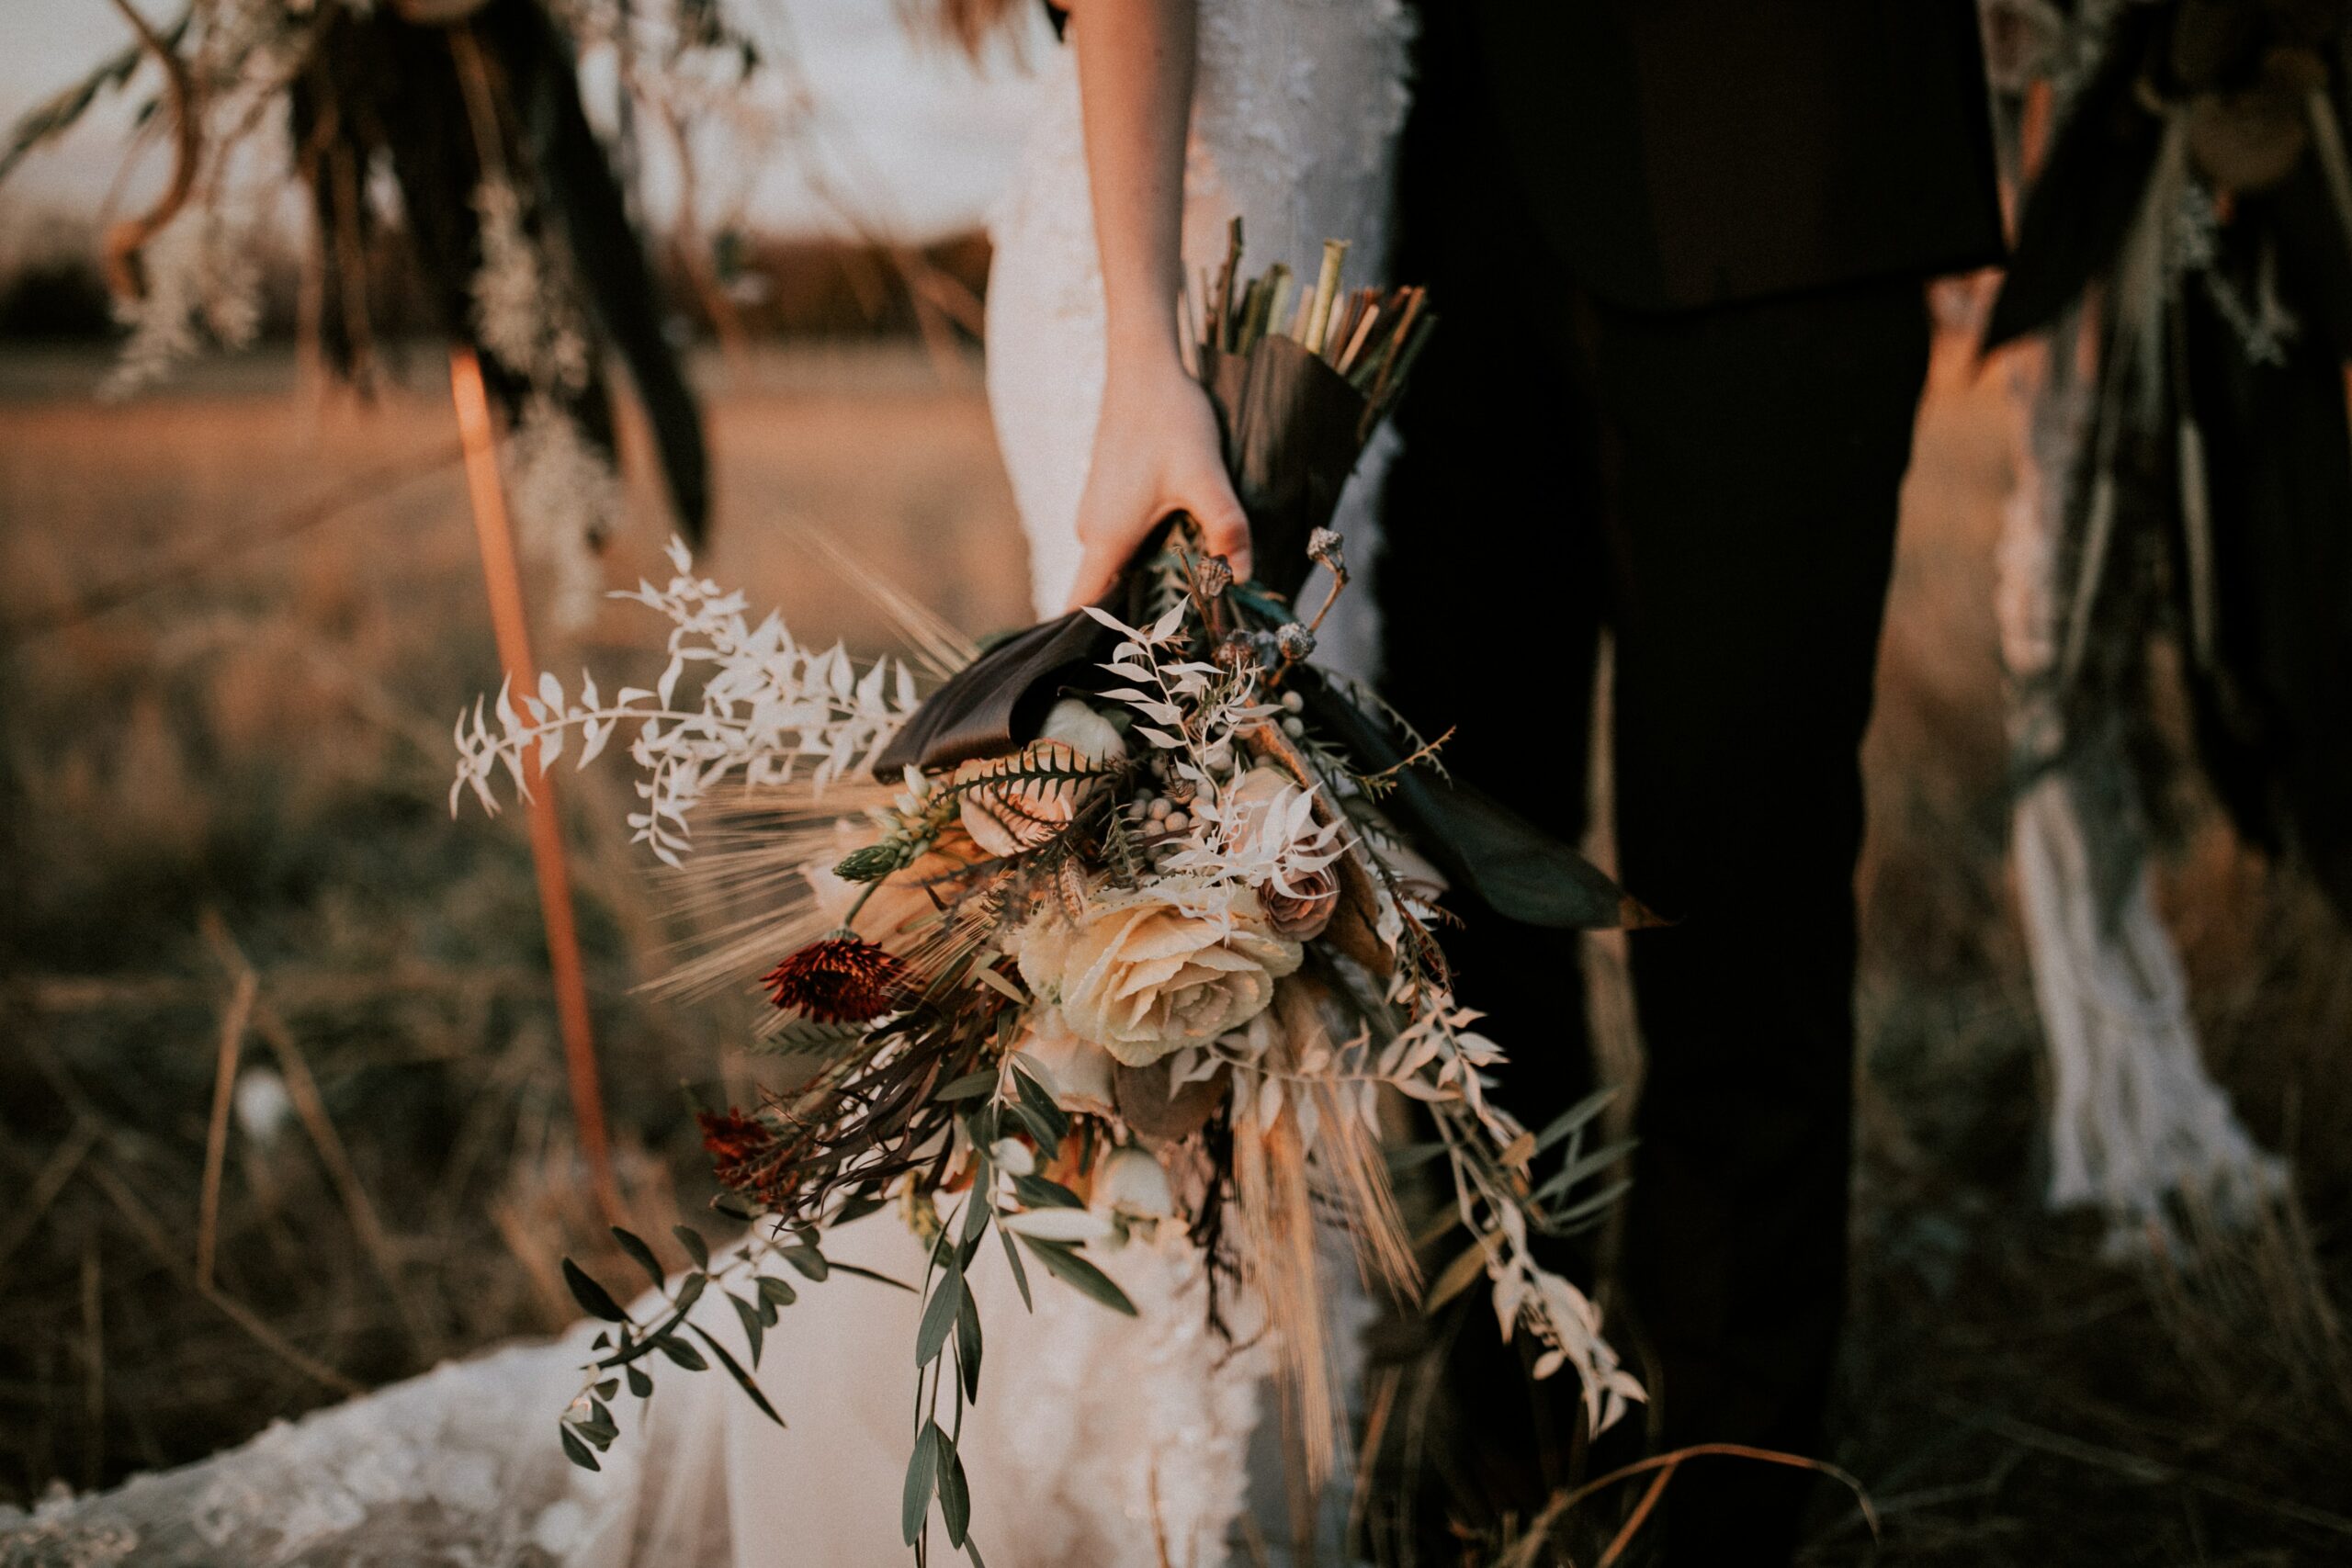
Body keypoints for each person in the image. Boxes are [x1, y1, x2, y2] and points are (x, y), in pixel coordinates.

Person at [1, 3, 1417, 1564]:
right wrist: (1149, 359)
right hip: (1191, 304)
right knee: (1165, 903)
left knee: (1202, 909)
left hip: (1270, 281)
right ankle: (1124, 1483)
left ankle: (1184, 1450)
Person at [1374, 6, 2007, 1564]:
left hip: (1772, 150)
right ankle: (1513, 1434)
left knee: (1740, 885)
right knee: (1444, 877)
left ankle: (1725, 1497)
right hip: (1409, 172)